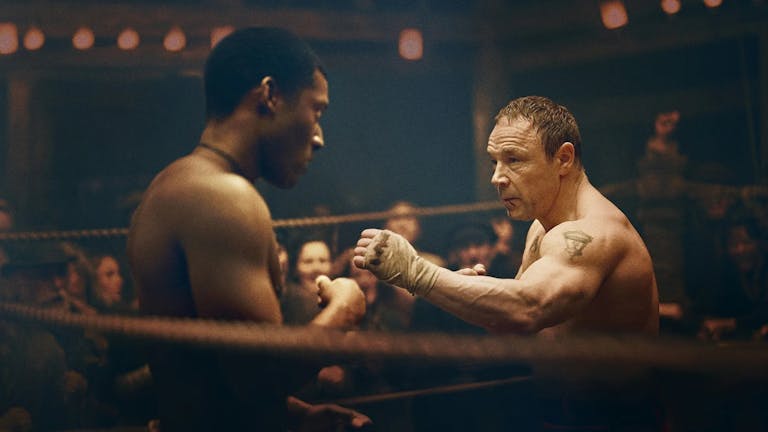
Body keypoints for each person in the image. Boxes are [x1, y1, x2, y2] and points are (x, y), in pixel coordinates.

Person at [354, 95, 660, 430]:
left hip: (614, 419)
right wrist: (464, 285)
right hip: (555, 411)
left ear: (564, 159)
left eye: (514, 160)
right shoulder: (540, 228)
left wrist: (418, 272)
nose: (497, 177)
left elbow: (528, 308)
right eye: (495, 162)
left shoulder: (594, 232)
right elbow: (511, 324)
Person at [127, 27, 369, 432]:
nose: (319, 137)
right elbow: (258, 377)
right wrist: (343, 312)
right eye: (317, 111)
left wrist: (296, 414)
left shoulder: (176, 183)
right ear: (270, 95)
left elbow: (208, 375)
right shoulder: (220, 196)